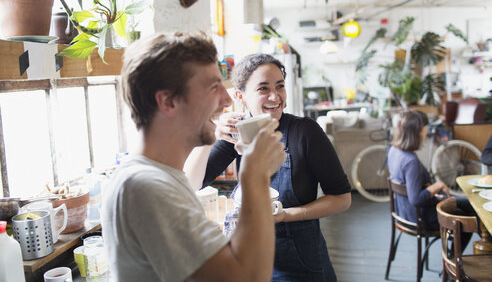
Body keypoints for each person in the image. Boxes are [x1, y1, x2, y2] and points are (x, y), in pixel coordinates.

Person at [101, 32, 286, 282]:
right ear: (168, 101)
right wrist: (255, 176)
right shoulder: (145, 187)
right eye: (213, 87)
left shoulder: (161, 177)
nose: (227, 99)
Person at [186, 53, 351, 281]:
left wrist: (286, 216)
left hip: (300, 257)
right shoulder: (238, 131)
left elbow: (342, 198)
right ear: (240, 96)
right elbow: (190, 183)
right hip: (251, 256)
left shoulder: (305, 132)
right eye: (263, 88)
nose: (275, 96)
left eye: (280, 86)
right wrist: (210, 135)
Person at [387, 110, 476, 248]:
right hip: (421, 217)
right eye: (425, 125)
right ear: (419, 130)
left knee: (466, 204)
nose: (427, 128)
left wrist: (431, 189)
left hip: (403, 212)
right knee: (468, 216)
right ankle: (452, 261)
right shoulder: (411, 161)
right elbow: (416, 199)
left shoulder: (394, 150)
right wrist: (437, 186)